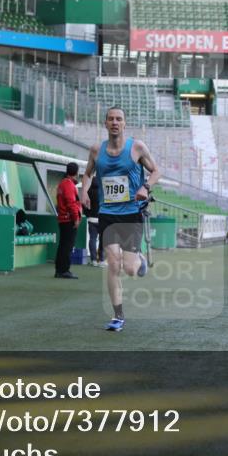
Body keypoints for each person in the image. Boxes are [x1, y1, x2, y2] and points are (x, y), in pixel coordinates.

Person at [80, 106, 161, 332]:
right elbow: (87, 173)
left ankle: (140, 260)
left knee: (130, 270)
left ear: (124, 124)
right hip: (107, 214)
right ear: (105, 124)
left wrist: (145, 187)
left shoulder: (136, 147)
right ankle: (118, 316)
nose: (115, 122)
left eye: (119, 119)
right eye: (111, 119)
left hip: (131, 214)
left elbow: (156, 171)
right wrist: (83, 191)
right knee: (113, 264)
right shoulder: (97, 150)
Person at [54, 161, 81, 279]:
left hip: (63, 219)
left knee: (63, 245)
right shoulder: (69, 185)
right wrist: (76, 218)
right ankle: (64, 270)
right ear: (76, 172)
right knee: (67, 246)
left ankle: (59, 270)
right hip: (68, 219)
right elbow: (71, 203)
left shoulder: (62, 184)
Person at [86, 175, 102, 266]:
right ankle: (102, 259)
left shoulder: (88, 192)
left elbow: (85, 205)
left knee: (92, 239)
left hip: (91, 219)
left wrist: (88, 214)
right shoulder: (103, 192)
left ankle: (93, 260)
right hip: (102, 219)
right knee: (102, 240)